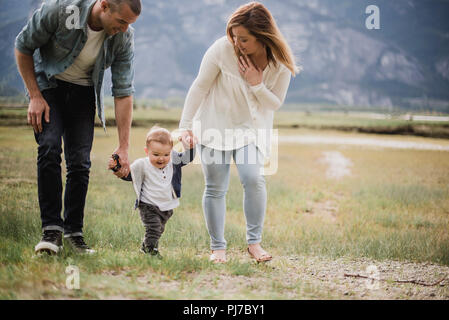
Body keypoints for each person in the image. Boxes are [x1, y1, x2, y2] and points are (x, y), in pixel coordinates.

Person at [14, 0, 141, 254]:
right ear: (104, 6)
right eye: (122, 22)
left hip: (84, 92)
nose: (125, 29)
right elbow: (23, 45)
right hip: (48, 86)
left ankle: (74, 233)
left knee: (80, 162)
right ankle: (51, 232)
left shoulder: (124, 37)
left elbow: (123, 91)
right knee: (49, 147)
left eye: (129, 24)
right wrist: (35, 96)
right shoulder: (59, 9)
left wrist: (124, 146)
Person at [178, 2, 299, 263]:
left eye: (244, 38)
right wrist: (185, 126)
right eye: (234, 36)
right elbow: (199, 87)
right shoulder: (222, 49)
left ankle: (254, 244)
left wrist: (256, 85)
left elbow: (274, 103)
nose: (237, 42)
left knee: (253, 178)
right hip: (214, 125)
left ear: (262, 36)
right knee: (215, 187)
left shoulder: (280, 64)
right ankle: (217, 248)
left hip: (252, 130)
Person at [108, 126, 196, 258]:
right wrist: (117, 168)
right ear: (146, 151)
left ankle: (146, 246)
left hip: (166, 205)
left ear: (171, 151)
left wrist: (189, 147)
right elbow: (129, 175)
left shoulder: (173, 161)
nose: (161, 159)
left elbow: (187, 158)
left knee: (159, 229)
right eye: (156, 155)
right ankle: (150, 251)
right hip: (148, 205)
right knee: (153, 228)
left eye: (166, 154)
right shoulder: (142, 165)